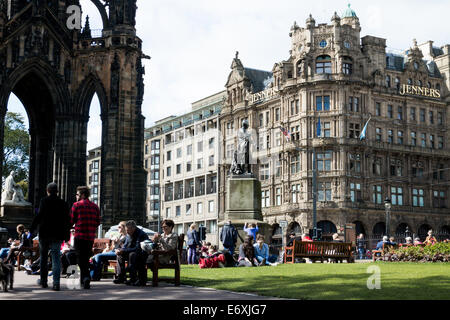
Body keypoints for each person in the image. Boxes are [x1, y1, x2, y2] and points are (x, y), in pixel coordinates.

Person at [29, 182, 71, 291]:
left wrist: (32, 229)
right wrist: (67, 235)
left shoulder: (44, 201)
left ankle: (43, 281)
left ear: (47, 191)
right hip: (57, 235)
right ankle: (56, 283)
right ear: (57, 191)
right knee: (56, 258)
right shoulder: (63, 203)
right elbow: (67, 220)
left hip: (45, 234)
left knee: (43, 258)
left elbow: (39, 215)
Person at [70, 186, 101, 289]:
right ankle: (84, 280)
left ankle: (86, 277)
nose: (76, 196)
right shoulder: (95, 206)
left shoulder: (76, 205)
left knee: (80, 257)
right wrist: (91, 227)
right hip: (90, 237)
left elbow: (72, 220)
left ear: (82, 194)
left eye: (77, 194)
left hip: (79, 235)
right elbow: (98, 222)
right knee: (85, 258)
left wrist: (76, 226)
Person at [113, 220, 149, 286]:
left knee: (132, 255)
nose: (127, 232)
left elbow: (137, 248)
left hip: (142, 253)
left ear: (133, 228)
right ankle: (121, 277)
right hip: (132, 252)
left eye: (128, 230)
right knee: (119, 255)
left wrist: (124, 250)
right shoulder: (128, 234)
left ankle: (133, 278)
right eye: (126, 230)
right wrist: (120, 250)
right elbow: (125, 245)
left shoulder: (141, 234)